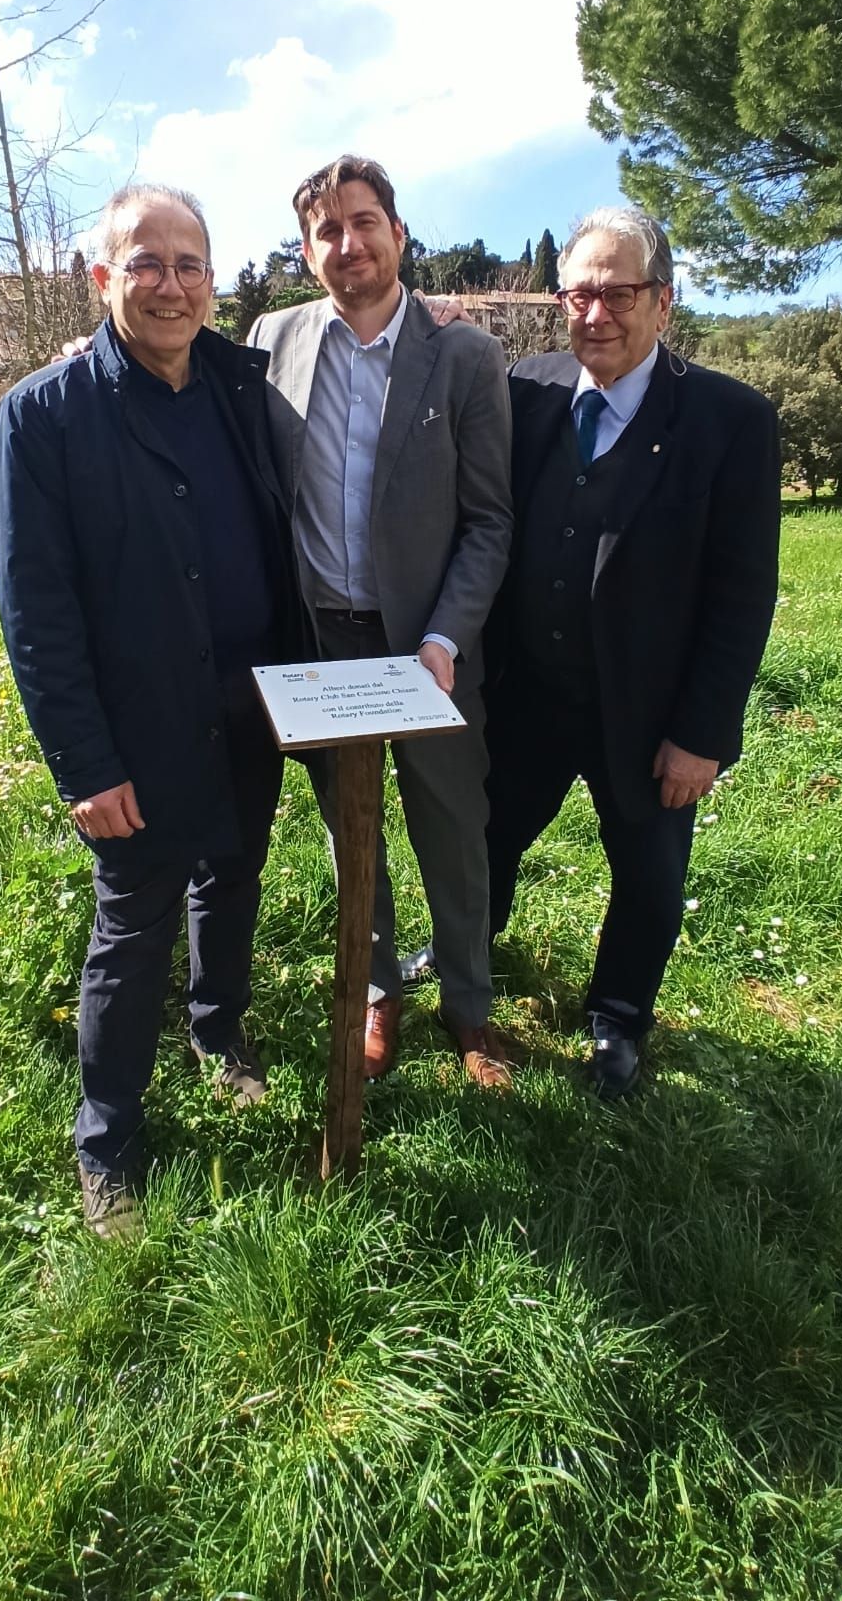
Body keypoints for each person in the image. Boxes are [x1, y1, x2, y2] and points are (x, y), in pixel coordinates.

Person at [402, 206, 779, 1099]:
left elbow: (741, 592)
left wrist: (703, 732)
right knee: (488, 835)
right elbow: (409, 394)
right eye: (578, 293)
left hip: (649, 710)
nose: (595, 313)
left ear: (663, 303)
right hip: (529, 692)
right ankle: (466, 949)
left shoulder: (730, 420)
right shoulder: (524, 389)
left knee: (649, 871)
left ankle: (618, 1017)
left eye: (618, 292)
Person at [0, 184, 302, 1240]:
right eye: (147, 262)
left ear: (214, 280)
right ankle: (107, 1138)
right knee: (132, 927)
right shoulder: (44, 414)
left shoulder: (242, 386)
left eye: (190, 264)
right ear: (102, 276)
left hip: (251, 705)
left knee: (236, 875)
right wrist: (84, 763)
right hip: (137, 730)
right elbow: (36, 609)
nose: (170, 284)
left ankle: (219, 1033)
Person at [247, 155, 514, 1088]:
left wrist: (445, 640)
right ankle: (375, 993)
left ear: (398, 233)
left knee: (452, 826)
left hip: (431, 648)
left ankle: (470, 1009)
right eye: (327, 230)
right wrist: (86, 352)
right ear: (309, 249)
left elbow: (489, 520)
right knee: (348, 826)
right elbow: (177, 364)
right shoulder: (271, 339)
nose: (348, 243)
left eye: (364, 223)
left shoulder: (466, 356)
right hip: (324, 644)